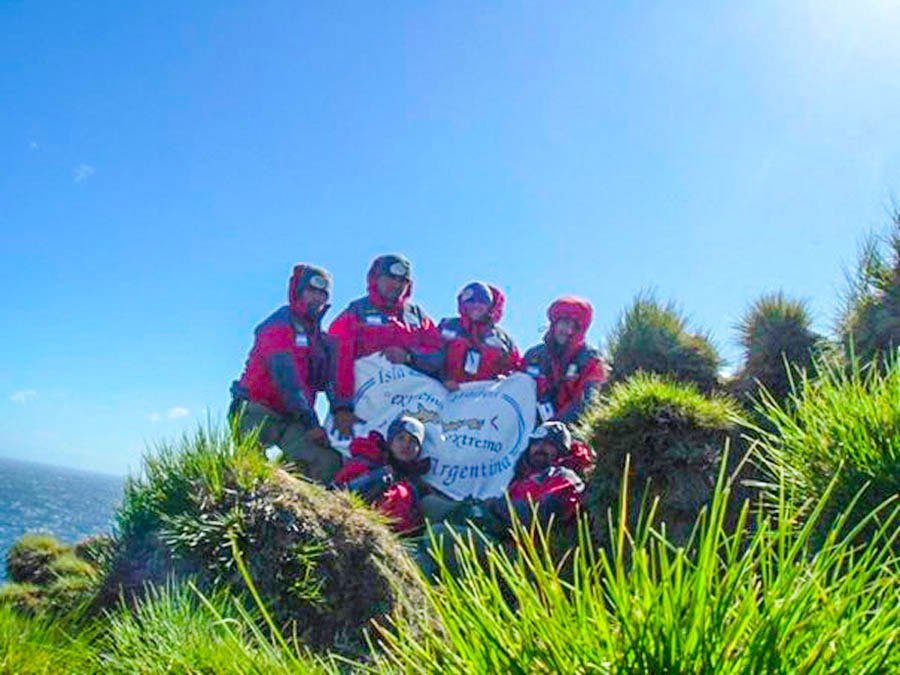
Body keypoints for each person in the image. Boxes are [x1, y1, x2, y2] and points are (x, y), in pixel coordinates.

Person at [416, 421, 595, 577]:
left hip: (524, 556)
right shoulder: (520, 480)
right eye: (536, 443)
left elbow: (543, 515)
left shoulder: (564, 476)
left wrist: (496, 507)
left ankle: (464, 586)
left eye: (549, 444)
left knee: (439, 535)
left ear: (562, 451)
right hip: (499, 536)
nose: (540, 448)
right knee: (429, 506)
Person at [229, 264, 342, 483]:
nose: (317, 298)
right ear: (297, 291)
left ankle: (292, 480)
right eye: (311, 290)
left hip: (291, 418)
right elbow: (287, 382)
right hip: (257, 411)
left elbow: (328, 381)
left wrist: (341, 411)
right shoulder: (277, 326)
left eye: (323, 293)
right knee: (250, 475)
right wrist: (312, 424)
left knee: (326, 461)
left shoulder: (320, 338)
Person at [328, 254, 442, 436]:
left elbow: (438, 355)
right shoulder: (356, 312)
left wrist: (409, 357)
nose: (396, 284)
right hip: (364, 411)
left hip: (410, 415)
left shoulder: (418, 317)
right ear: (375, 279)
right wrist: (342, 408)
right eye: (390, 278)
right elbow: (336, 362)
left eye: (402, 280)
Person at [332, 414, 432, 533]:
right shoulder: (366, 461)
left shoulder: (417, 486)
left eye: (413, 441)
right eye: (400, 438)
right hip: (346, 515)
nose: (406, 445)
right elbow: (338, 487)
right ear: (390, 441)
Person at [522, 296, 608, 424]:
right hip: (527, 427)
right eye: (564, 323)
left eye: (575, 327)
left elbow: (587, 402)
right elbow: (516, 390)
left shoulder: (591, 360)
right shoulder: (533, 356)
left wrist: (553, 426)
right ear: (554, 323)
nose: (568, 331)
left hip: (570, 430)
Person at [437, 281, 521, 390]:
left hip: (484, 397)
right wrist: (443, 378)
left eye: (482, 302)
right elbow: (431, 355)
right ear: (463, 304)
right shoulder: (447, 326)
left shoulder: (502, 339)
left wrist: (505, 379)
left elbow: (514, 368)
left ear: (490, 306)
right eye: (471, 301)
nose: (476, 305)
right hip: (444, 394)